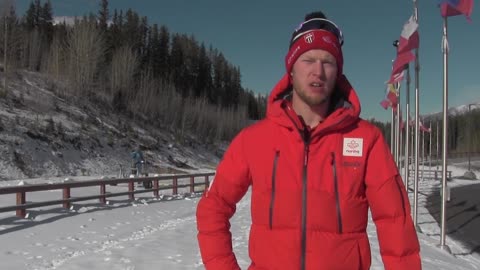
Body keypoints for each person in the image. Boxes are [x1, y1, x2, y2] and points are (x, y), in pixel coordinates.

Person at [196, 11, 421, 270]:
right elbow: (213, 207)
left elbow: (396, 225)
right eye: (308, 60)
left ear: (338, 72)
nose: (318, 71)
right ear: (291, 69)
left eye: (328, 62)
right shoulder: (254, 140)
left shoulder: (366, 140)